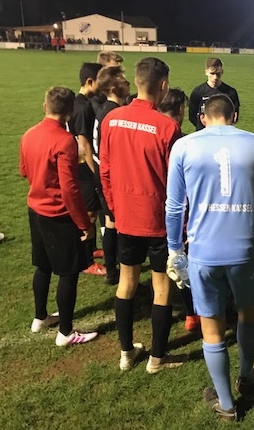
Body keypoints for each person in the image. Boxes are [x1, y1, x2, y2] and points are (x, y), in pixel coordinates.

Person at [165, 94, 254, 421]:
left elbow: (174, 206)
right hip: (245, 250)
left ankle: (227, 404)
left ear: (202, 118)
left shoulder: (184, 146)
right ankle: (247, 375)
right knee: (248, 315)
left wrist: (175, 250)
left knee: (212, 327)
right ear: (235, 116)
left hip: (204, 252)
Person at [99, 57, 185, 373]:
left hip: (125, 217)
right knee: (162, 287)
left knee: (127, 282)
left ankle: (126, 353)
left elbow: (105, 171)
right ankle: (156, 359)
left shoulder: (112, 119)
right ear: (163, 85)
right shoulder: (168, 127)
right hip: (158, 221)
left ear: (136, 81)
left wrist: (115, 207)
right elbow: (177, 183)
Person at [20, 86, 98, 347]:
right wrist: (83, 223)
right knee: (69, 272)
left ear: (45, 106)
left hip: (35, 209)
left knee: (42, 265)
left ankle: (40, 317)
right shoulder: (65, 141)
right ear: (70, 112)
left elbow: (24, 170)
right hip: (59, 215)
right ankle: (65, 332)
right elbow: (70, 188)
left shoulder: (29, 134)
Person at [158, 88, 201, 332]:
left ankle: (190, 314)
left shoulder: (150, 133)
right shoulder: (184, 141)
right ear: (181, 110)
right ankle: (200, 313)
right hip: (183, 214)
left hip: (154, 211)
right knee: (189, 262)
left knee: (175, 265)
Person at [92, 66, 131, 285]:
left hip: (102, 172)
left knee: (110, 222)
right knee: (115, 224)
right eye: (124, 81)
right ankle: (117, 272)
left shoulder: (106, 109)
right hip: (110, 175)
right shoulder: (113, 114)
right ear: (114, 88)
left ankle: (112, 271)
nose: (128, 83)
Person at [68, 62, 106, 276]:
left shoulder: (80, 102)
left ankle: (91, 249)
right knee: (89, 214)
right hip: (84, 169)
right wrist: (95, 172)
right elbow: (84, 144)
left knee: (92, 212)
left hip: (84, 167)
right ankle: (85, 261)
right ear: (90, 81)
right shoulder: (82, 108)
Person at [188, 57, 240, 131]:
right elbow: (192, 116)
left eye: (218, 74)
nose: (215, 77)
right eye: (212, 73)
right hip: (204, 133)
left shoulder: (231, 92)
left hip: (224, 133)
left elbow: (235, 115)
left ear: (222, 72)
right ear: (206, 72)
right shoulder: (197, 92)